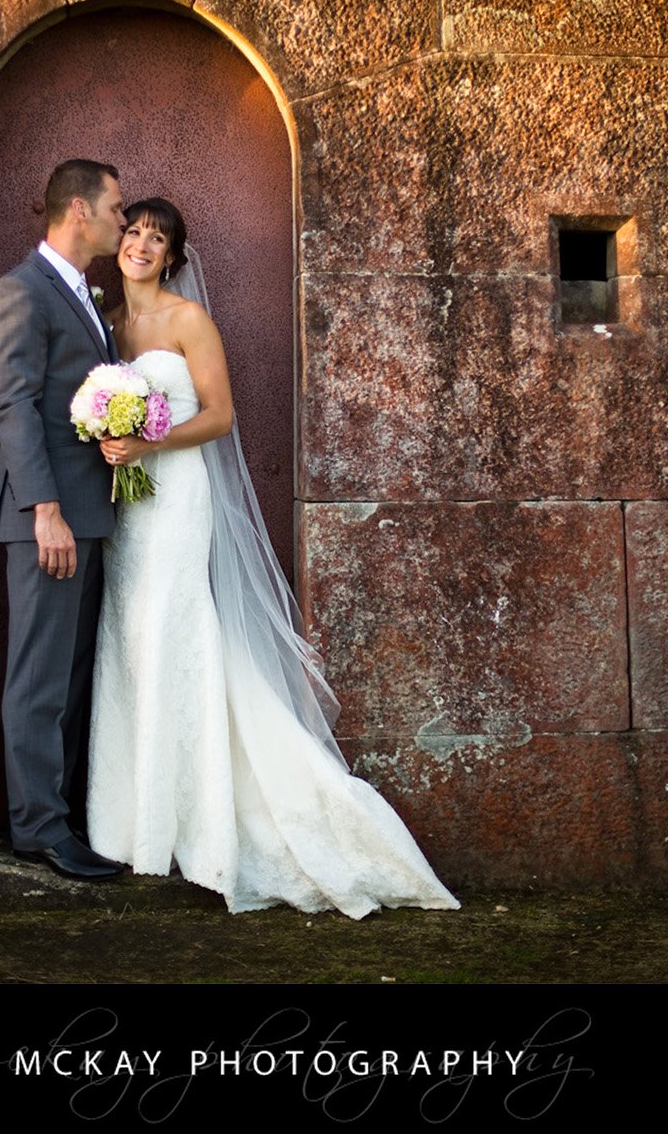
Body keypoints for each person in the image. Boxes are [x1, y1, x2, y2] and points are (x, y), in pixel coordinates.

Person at [89, 199, 459, 917]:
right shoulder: (108, 323)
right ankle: (133, 821)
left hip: (176, 499)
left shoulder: (188, 321)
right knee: (128, 637)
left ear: (172, 257)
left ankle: (205, 820)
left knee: (171, 629)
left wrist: (147, 443)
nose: (139, 243)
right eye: (132, 231)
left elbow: (220, 415)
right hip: (126, 508)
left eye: (155, 238)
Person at [0, 159, 128, 880]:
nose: (123, 221)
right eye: (116, 207)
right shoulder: (20, 292)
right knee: (39, 676)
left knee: (69, 677)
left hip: (87, 515)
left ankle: (59, 816)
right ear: (79, 209)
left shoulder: (84, 296)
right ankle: (37, 827)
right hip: (49, 520)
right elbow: (12, 407)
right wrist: (45, 510)